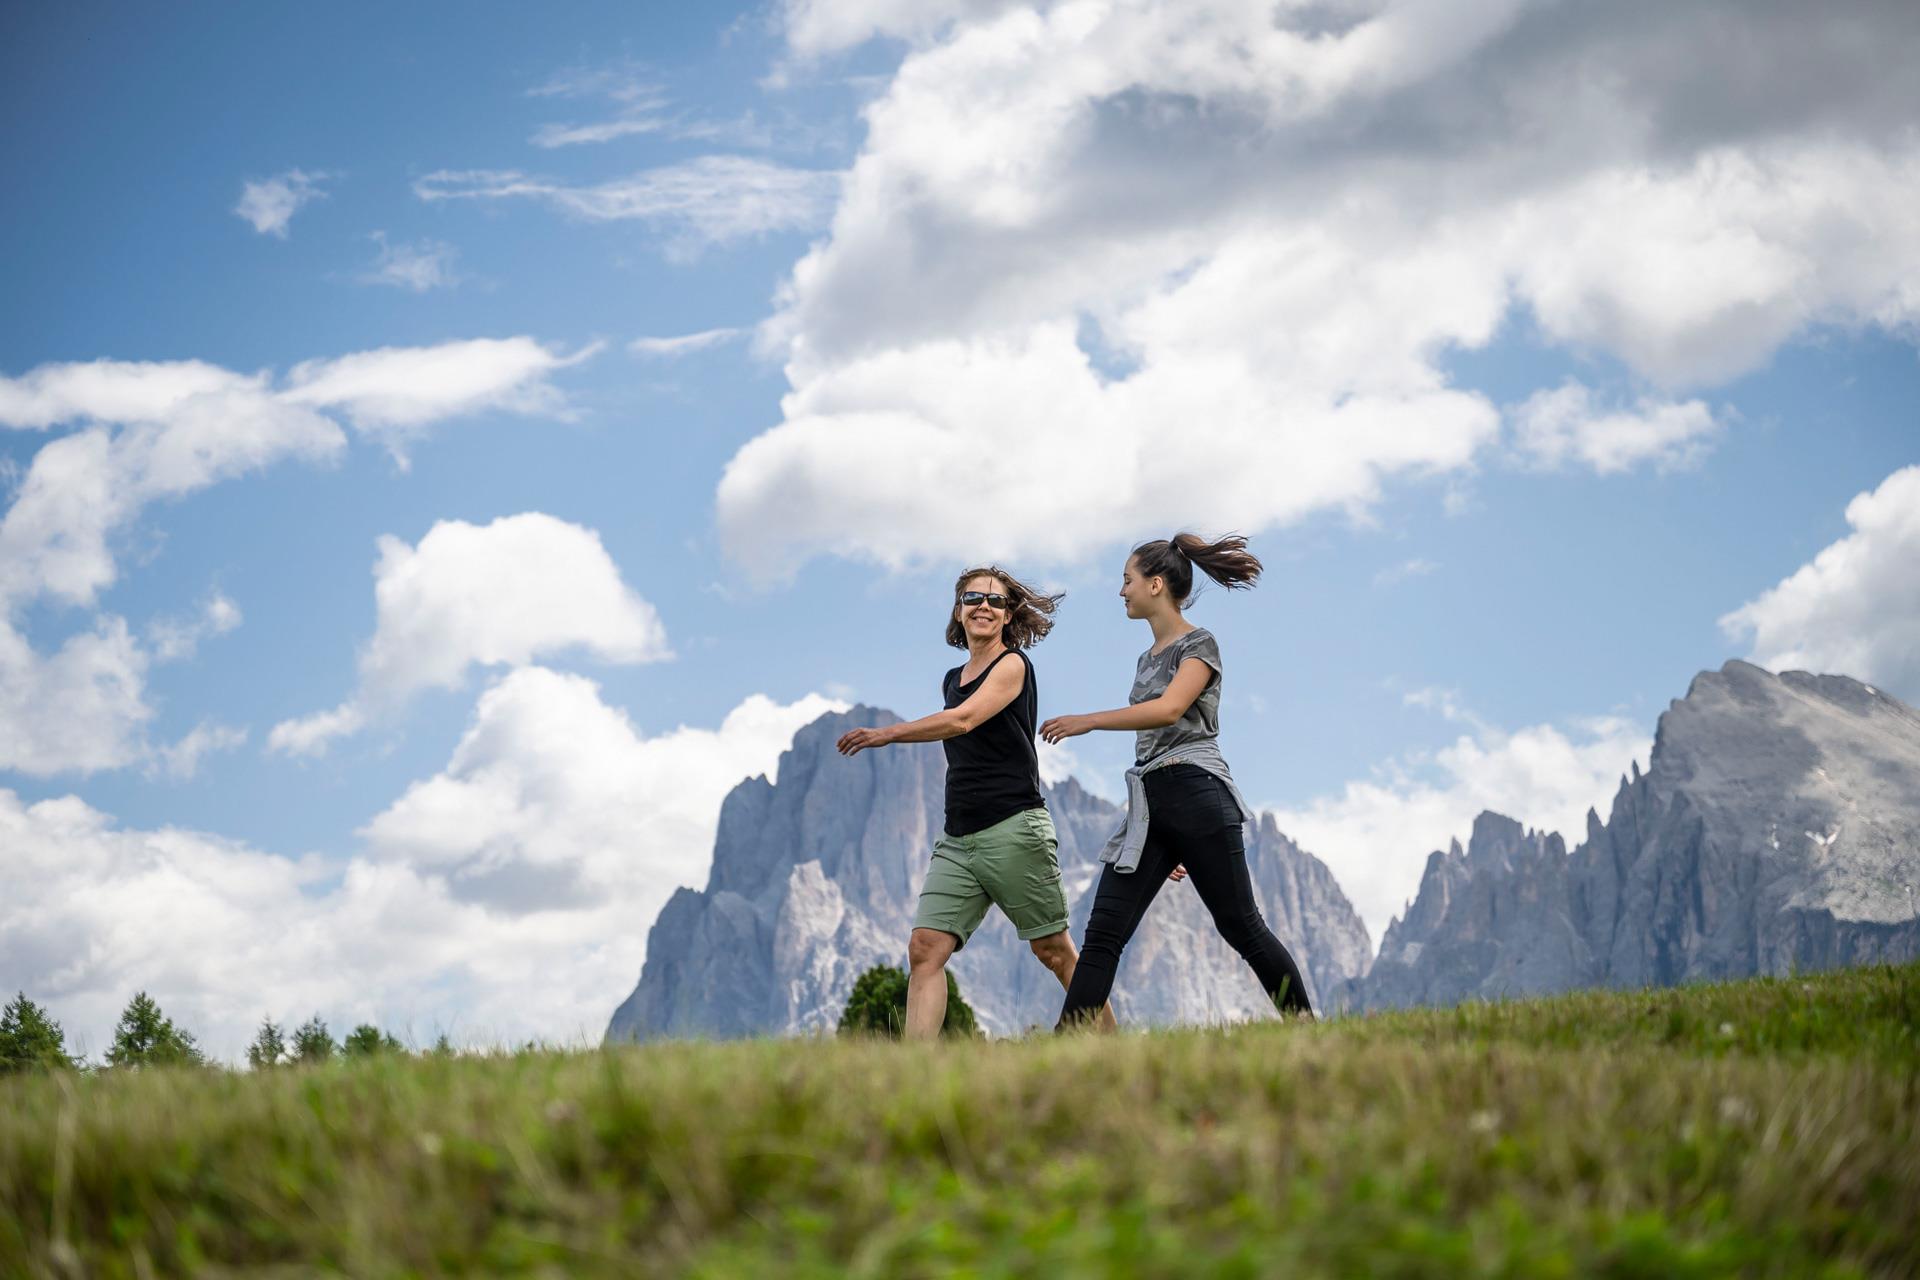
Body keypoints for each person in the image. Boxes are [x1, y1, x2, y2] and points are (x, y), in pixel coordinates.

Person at [1042, 533, 1314, 1028]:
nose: (1121, 591)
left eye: (1127, 580)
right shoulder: (1146, 659)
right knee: (1103, 934)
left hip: (1197, 790)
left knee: (1241, 925)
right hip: (1153, 808)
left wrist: (1089, 720)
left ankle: (1306, 1029)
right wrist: (1164, 838)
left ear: (1156, 584)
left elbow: (1169, 710)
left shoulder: (1199, 643)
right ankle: (1063, 1049)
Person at [837, 567, 1115, 1038]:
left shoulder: (1013, 665)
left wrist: (887, 734)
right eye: (973, 597)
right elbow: (957, 713)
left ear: (1008, 616)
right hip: (958, 839)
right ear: (958, 610)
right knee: (925, 948)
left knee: (1053, 951)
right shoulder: (951, 677)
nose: (983, 606)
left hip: (1014, 829)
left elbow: (963, 720)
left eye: (996, 601)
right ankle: (914, 1071)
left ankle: (1116, 1051)